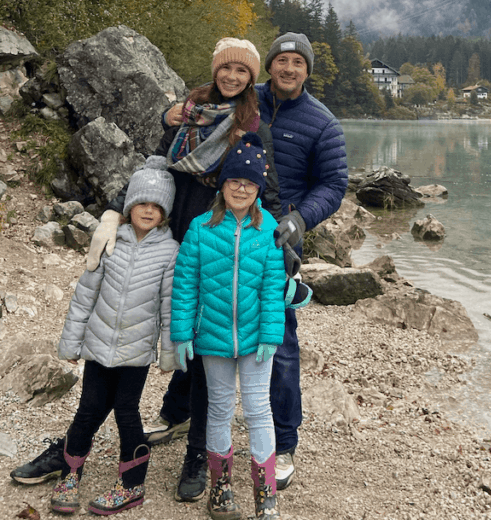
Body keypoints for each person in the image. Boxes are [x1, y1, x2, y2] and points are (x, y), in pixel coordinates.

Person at [10, 37, 275, 505]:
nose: (232, 77)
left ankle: (197, 454)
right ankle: (75, 450)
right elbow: (154, 167)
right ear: (215, 71)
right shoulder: (187, 112)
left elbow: (260, 187)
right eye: (226, 69)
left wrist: (281, 237)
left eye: (242, 72)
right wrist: (117, 210)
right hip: (171, 234)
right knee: (125, 339)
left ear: (253, 78)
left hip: (213, 242)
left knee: (200, 353)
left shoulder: (253, 124)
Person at [50, 158, 178, 516]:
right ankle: (70, 474)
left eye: (156, 206)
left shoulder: (170, 252)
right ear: (129, 207)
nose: (148, 210)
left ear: (165, 212)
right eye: (141, 203)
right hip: (97, 346)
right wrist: (71, 343)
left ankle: (131, 485)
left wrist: (168, 354)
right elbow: (84, 296)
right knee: (87, 411)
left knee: (127, 413)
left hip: (135, 354)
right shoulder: (110, 241)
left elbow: (169, 308)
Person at [171, 136, 285, 520]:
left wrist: (271, 333)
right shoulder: (200, 229)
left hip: (256, 341)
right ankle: (221, 488)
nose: (241, 188)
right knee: (218, 410)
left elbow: (273, 288)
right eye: (235, 180)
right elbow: (184, 287)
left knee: (258, 410)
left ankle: (264, 490)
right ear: (223, 184)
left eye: (250, 183)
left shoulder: (269, 230)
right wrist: (182, 333)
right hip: (213, 338)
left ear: (258, 189)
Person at [256, 32, 348, 490]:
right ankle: (180, 414)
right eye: (282, 60)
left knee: (280, 342)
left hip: (280, 244)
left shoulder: (322, 123)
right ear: (269, 64)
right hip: (228, 236)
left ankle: (284, 440)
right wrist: (167, 112)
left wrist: (300, 218)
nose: (289, 69)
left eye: (298, 62)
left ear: (307, 71)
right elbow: (194, 124)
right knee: (206, 322)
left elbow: (334, 185)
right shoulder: (243, 102)